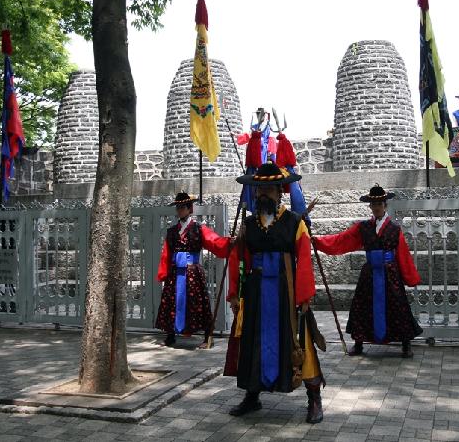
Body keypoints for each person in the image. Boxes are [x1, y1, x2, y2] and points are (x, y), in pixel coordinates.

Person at [225, 162, 325, 424]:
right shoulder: (248, 224)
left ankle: (313, 397)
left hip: (286, 291)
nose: (263, 194)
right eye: (259, 189)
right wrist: (234, 292)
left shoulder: (294, 222)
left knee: (298, 341)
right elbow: (238, 256)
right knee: (253, 340)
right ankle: (252, 395)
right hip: (256, 292)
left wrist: (304, 296)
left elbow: (304, 258)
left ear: (280, 192)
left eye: (268, 189)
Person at [312, 185, 423, 357]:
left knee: (398, 306)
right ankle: (358, 343)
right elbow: (343, 239)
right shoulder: (363, 227)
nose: (377, 207)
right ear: (370, 207)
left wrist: (410, 277)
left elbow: (402, 254)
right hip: (370, 273)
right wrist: (319, 241)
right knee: (362, 306)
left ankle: (406, 343)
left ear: (385, 205)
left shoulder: (394, 229)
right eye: (373, 204)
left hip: (390, 274)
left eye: (379, 203)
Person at [155, 192, 232, 349]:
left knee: (198, 303)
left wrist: (230, 243)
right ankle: (170, 336)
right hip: (175, 273)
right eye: (178, 207)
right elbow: (166, 254)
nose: (180, 210)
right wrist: (164, 272)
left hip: (192, 273)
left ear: (190, 209)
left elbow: (214, 241)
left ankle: (207, 337)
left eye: (183, 207)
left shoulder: (199, 229)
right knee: (171, 302)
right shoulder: (172, 231)